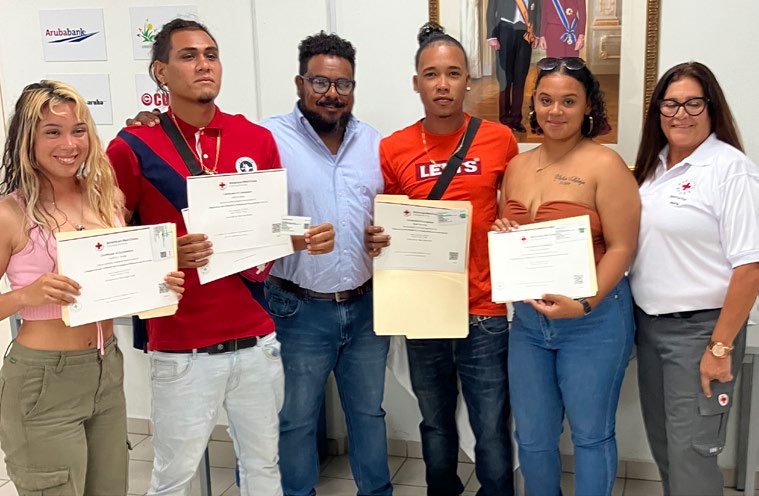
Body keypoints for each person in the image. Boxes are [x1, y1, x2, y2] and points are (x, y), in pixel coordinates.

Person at [106, 19, 334, 496]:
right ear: (161, 72)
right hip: (182, 347)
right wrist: (169, 251)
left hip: (257, 339)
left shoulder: (255, 138)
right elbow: (113, 247)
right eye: (188, 56)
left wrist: (304, 238)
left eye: (210, 54)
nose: (203, 64)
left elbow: (266, 232)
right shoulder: (132, 146)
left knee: (263, 468)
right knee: (172, 479)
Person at [0, 80, 183, 495]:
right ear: (28, 139)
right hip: (43, 379)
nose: (69, 144)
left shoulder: (107, 197)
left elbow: (120, 277)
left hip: (105, 370)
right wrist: (27, 295)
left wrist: (157, 281)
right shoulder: (10, 214)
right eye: (53, 132)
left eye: (78, 130)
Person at [368, 23, 518, 496]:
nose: (442, 84)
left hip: (484, 308)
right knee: (434, 423)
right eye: (431, 74)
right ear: (416, 82)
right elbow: (391, 223)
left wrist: (509, 228)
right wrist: (378, 239)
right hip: (424, 311)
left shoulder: (499, 139)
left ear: (468, 80)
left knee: (491, 425)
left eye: (453, 73)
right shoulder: (393, 148)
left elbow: (514, 209)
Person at [492, 56, 639, 495]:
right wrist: (505, 232)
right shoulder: (517, 166)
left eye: (568, 101)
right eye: (546, 100)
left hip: (594, 320)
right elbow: (512, 234)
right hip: (529, 323)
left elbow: (622, 248)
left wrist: (585, 304)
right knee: (532, 438)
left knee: (591, 435)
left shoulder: (605, 165)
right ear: (533, 104)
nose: (555, 111)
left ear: (588, 106)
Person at [260, 32, 392, 496]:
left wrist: (382, 236)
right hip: (296, 308)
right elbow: (246, 222)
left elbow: (386, 216)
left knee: (369, 413)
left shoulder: (373, 142)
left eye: (343, 84)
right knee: (296, 418)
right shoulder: (267, 139)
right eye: (320, 82)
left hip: (366, 308)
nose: (332, 94)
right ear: (300, 83)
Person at [629, 61, 759, 496]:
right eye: (670, 104)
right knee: (666, 450)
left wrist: (720, 348)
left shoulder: (731, 169)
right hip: (650, 328)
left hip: (701, 332)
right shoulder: (653, 168)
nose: (680, 114)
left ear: (712, 107)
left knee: (694, 457)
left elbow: (751, 267)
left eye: (692, 103)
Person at [487, 0, 542, 132]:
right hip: (504, 31)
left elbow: (538, 11)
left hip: (525, 33)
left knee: (520, 78)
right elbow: (491, 11)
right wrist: (491, 36)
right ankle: (504, 119)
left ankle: (516, 119)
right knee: (504, 78)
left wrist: (537, 34)